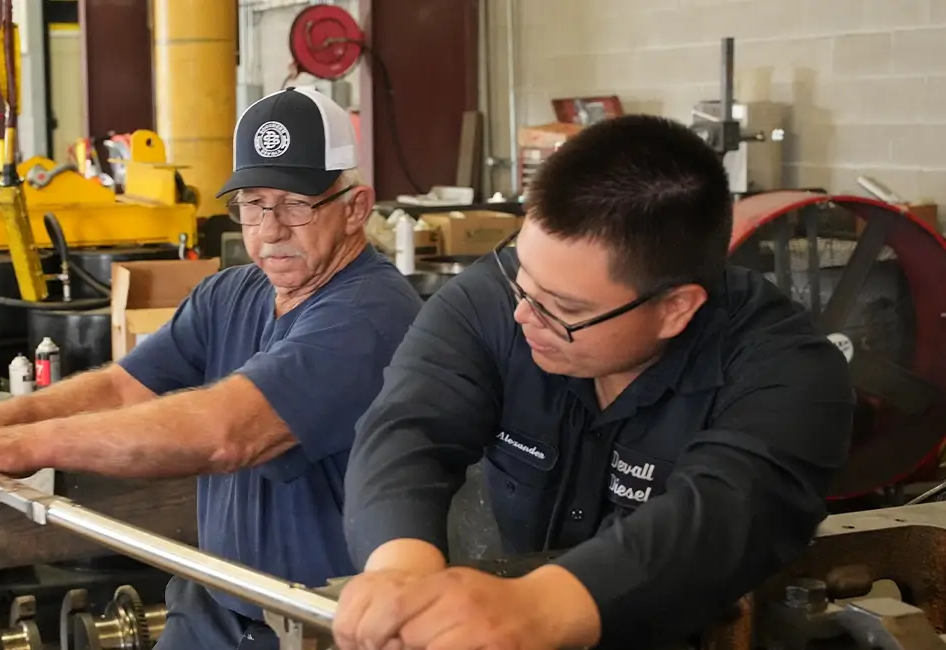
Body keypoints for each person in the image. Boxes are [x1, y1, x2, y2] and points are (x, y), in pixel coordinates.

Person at [0, 86, 423, 650]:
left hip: (314, 627)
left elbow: (227, 433)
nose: (270, 228)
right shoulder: (232, 292)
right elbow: (121, 387)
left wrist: (20, 447)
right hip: (215, 601)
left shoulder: (372, 315)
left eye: (295, 203)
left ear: (355, 207)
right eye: (252, 204)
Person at [334, 114, 855, 650]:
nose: (524, 316)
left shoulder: (788, 374)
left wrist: (539, 608)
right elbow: (408, 428)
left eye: (563, 308)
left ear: (675, 308)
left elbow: (728, 509)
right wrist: (400, 570)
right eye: (523, 280)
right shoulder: (496, 300)